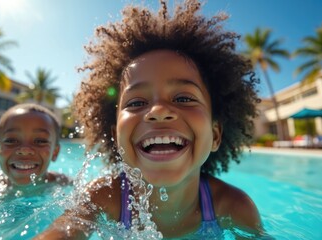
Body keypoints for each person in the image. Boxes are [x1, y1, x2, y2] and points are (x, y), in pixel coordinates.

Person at [36, 0, 264, 239]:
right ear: (116, 137)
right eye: (136, 103)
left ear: (215, 135)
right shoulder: (105, 198)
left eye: (184, 98)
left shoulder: (233, 207)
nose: (158, 110)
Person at [0, 103, 71, 238]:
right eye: (11, 140)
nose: (25, 149)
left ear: (55, 153)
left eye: (39, 141)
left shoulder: (63, 183)